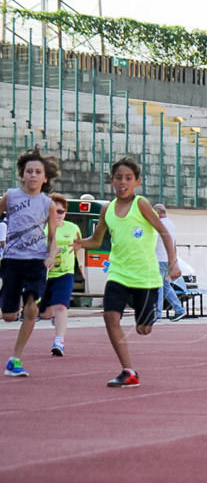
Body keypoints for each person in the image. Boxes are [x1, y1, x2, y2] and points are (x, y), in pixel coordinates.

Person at [74, 157, 180, 387]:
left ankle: (144, 321)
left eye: (128, 178)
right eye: (119, 178)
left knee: (143, 329)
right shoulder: (106, 210)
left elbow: (164, 233)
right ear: (111, 181)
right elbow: (96, 239)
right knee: (110, 316)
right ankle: (128, 370)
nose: (123, 182)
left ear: (137, 182)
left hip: (146, 278)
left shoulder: (141, 204)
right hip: (119, 274)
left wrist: (173, 262)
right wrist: (79, 243)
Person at [1, 148, 60, 377]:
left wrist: (51, 255)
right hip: (12, 260)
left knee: (32, 308)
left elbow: (53, 236)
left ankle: (15, 358)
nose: (33, 175)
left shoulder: (48, 204)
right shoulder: (11, 197)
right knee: (8, 315)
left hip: (36, 260)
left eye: (38, 172)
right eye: (29, 171)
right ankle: (9, 308)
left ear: (45, 178)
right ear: (22, 175)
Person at [38, 194, 84, 356]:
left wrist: (82, 267)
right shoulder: (41, 228)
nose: (58, 215)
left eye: (61, 211)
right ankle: (52, 317)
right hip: (44, 275)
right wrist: (48, 253)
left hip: (65, 273)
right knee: (43, 313)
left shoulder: (72, 228)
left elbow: (80, 247)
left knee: (61, 306)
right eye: (55, 211)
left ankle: (59, 342)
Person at [153, 204, 186, 322]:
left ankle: (157, 314)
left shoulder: (158, 225)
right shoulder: (171, 224)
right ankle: (179, 309)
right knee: (166, 286)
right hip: (168, 259)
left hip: (159, 258)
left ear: (157, 212)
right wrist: (174, 260)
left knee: (158, 286)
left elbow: (154, 242)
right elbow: (174, 243)